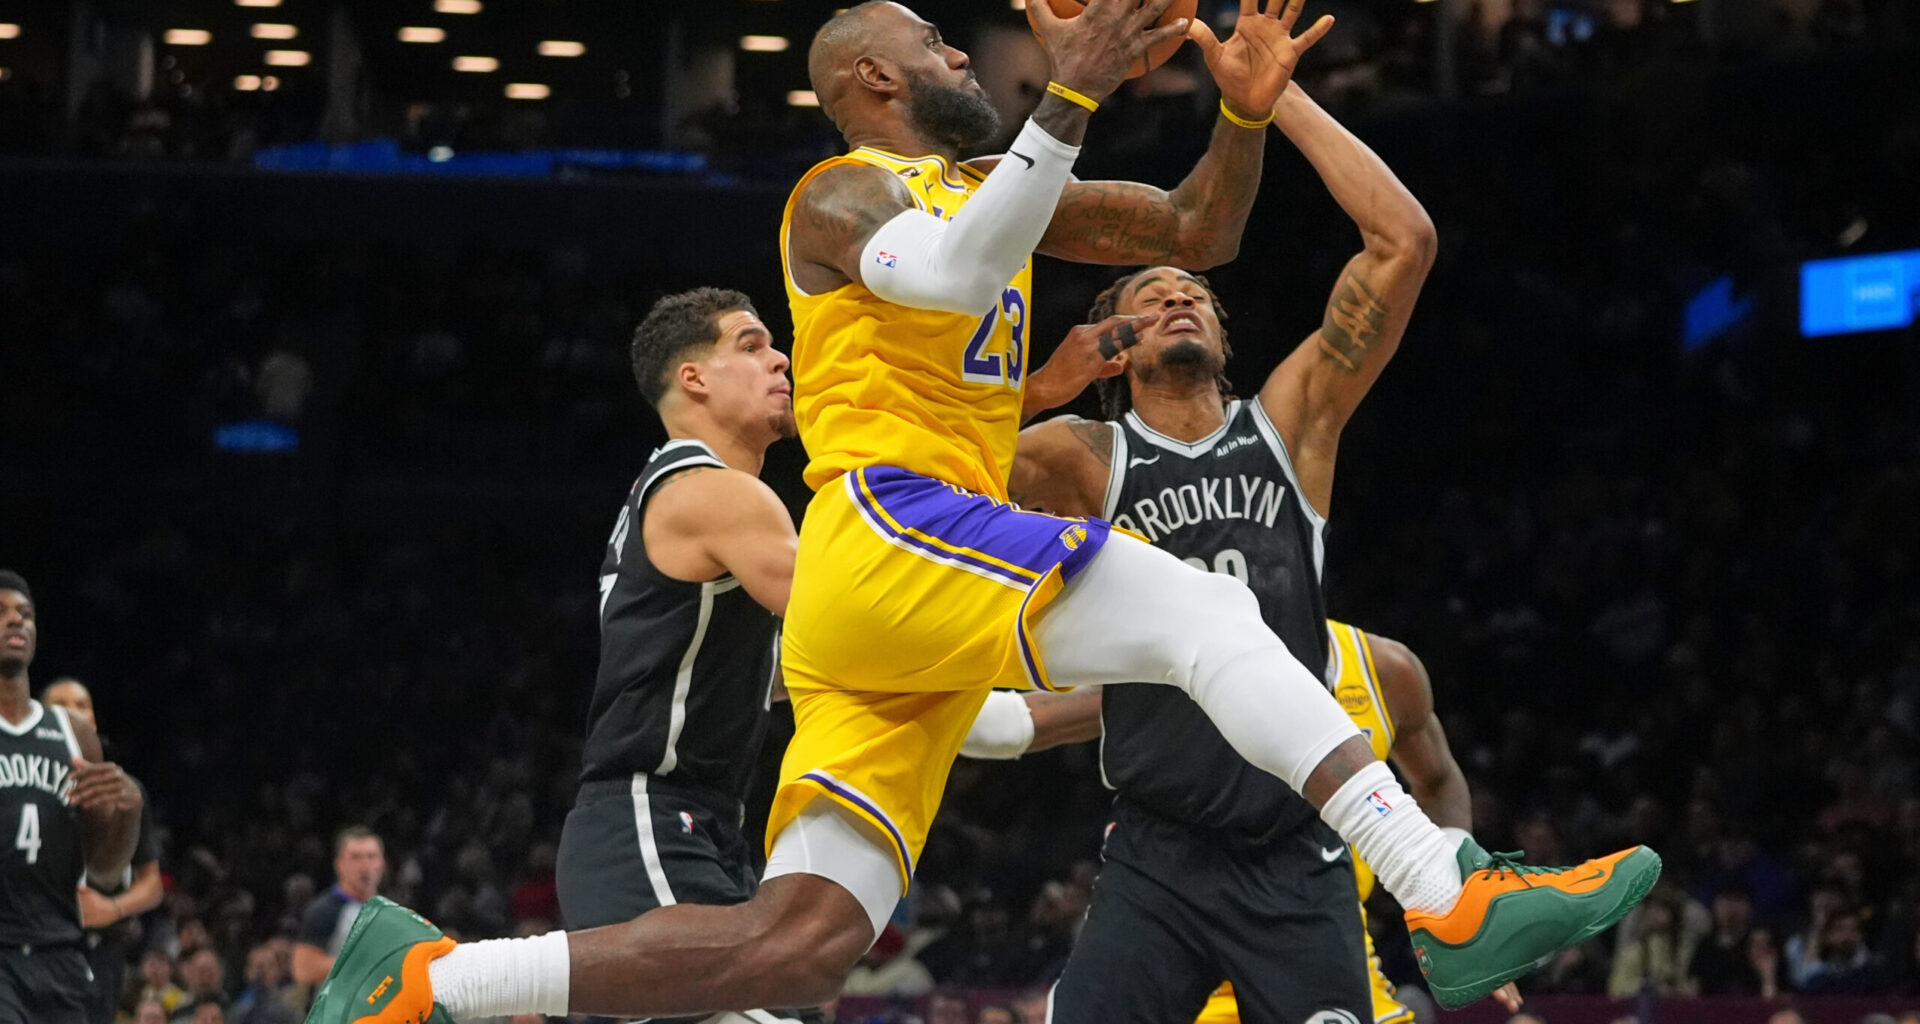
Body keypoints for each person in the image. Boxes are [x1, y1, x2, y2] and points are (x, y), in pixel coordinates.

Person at [309, 3, 1652, 1020]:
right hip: (890, 529)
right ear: (874, 80)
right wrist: (1070, 89)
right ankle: (1443, 887)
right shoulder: (838, 197)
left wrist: (1239, 116)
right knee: (1203, 606)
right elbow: (952, 275)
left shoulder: (1013, 191)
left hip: (887, 621)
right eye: (946, 50)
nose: (973, 62)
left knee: (803, 940)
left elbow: (1198, 228)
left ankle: (427, 978)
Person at [553, 286, 816, 1024]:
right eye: (752, 344)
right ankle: (440, 980)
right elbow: (843, 621)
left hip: (690, 828)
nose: (781, 359)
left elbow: (776, 677)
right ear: (694, 378)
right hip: (649, 818)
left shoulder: (679, 496)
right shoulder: (711, 490)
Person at [0, 570, 145, 1024]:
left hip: (60, 950)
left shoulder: (74, 734)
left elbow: (103, 868)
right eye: (1, 613)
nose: (15, 621)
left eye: (24, 614)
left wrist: (129, 815)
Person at [43, 677, 167, 1024]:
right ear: (42, 719)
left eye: (83, 705)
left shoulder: (124, 790)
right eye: (62, 704)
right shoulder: (18, 782)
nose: (74, 712)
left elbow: (152, 885)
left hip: (99, 952)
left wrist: (111, 908)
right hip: (30, 947)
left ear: (94, 721)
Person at [292, 827, 385, 994]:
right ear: (340, 865)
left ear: (382, 864)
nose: (365, 865)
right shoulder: (323, 910)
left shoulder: (391, 910)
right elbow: (303, 969)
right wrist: (362, 965)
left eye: (372, 856)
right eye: (356, 857)